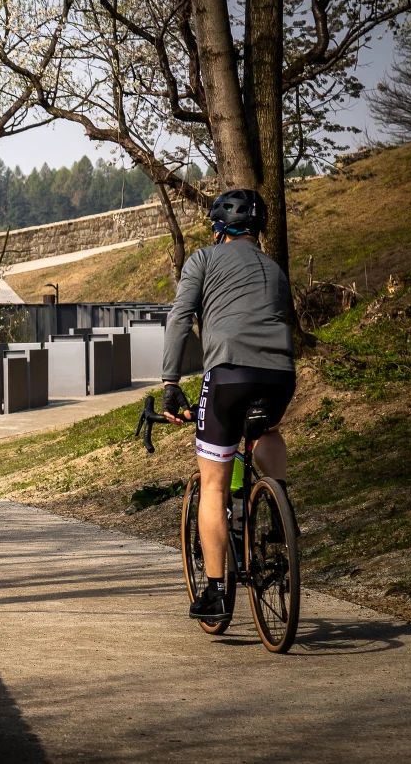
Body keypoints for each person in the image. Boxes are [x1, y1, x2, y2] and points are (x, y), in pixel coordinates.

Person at [161, 189, 296, 623]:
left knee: (214, 484)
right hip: (279, 376)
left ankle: (217, 591)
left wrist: (170, 383)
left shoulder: (202, 260)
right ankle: (278, 510)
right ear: (257, 230)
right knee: (266, 431)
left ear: (219, 229)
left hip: (228, 374)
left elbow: (180, 317)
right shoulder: (275, 269)